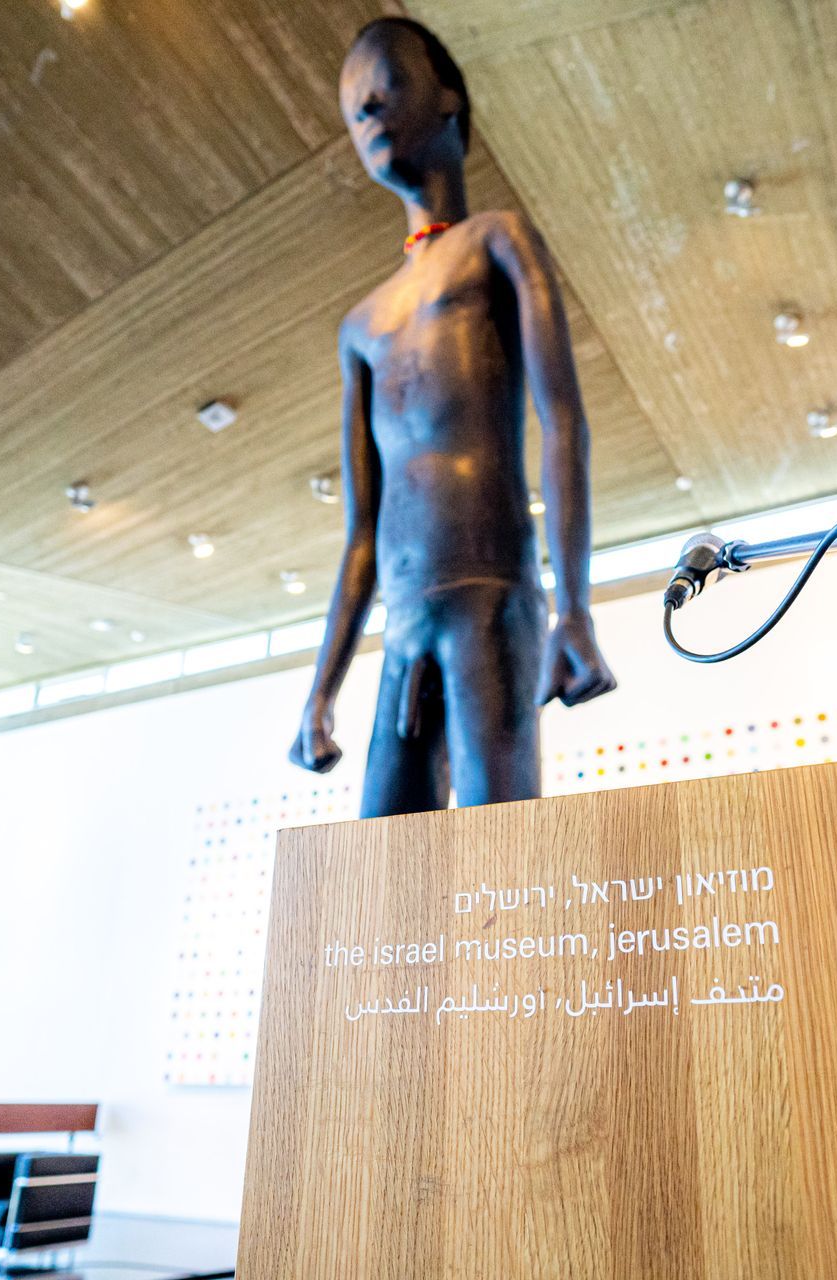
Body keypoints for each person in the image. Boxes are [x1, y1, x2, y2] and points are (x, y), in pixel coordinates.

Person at [287, 17, 616, 817]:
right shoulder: (360, 327)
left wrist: (573, 607)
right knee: (385, 853)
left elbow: (563, 423)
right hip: (405, 619)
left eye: (385, 86)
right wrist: (322, 690)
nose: (367, 110)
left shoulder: (498, 241)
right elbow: (362, 532)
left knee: (501, 844)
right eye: (353, 106)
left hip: (492, 593)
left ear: (447, 99)